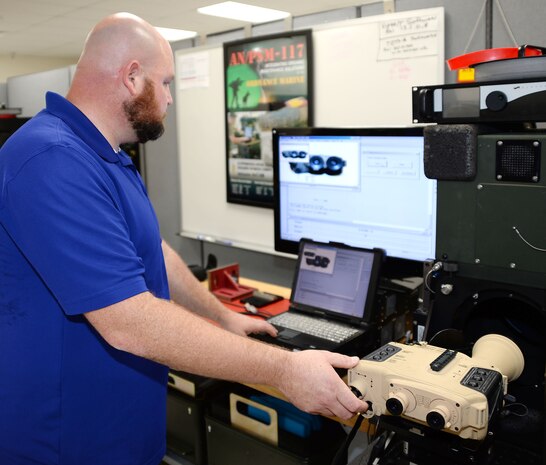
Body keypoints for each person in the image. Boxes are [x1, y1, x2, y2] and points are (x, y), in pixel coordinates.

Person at [0, 12, 367, 465]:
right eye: (166, 82)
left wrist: (222, 317)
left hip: (124, 433)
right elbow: (129, 321)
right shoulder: (50, 160)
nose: (171, 99)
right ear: (132, 76)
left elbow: (151, 249)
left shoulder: (107, 154)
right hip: (68, 443)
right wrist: (285, 371)